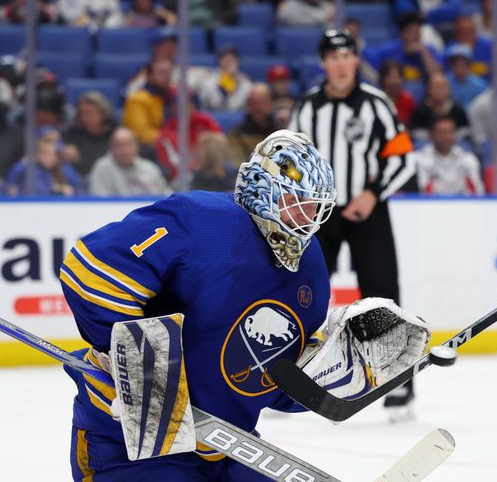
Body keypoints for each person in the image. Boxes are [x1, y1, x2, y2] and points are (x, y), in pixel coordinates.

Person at [61, 129, 430, 480]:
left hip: (225, 448)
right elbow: (89, 270)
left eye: (314, 208)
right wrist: (142, 371)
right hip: (129, 446)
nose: (306, 219)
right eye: (294, 203)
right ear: (260, 190)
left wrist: (343, 371)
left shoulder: (311, 268)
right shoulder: (200, 220)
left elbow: (267, 382)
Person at [289, 30, 418, 420]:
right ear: (323, 63)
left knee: (382, 296)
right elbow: (290, 161)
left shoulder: (377, 104)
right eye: (333, 56)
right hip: (319, 216)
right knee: (301, 293)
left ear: (356, 61)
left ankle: (399, 383)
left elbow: (402, 159)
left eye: (347, 56)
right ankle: (289, 377)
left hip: (368, 211)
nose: (341, 63)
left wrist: (371, 193)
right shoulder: (307, 108)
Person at [88, 127, 170, 196]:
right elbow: (99, 201)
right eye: (119, 146)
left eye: (128, 145)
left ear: (137, 147)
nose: (124, 150)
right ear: (111, 148)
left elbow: (165, 196)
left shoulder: (150, 168)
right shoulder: (102, 168)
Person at [416, 115, 483, 195]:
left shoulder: (468, 159)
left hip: (463, 205)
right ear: (431, 135)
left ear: (455, 134)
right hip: (431, 205)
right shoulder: (419, 159)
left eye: (449, 132)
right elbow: (421, 191)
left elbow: (478, 192)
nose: (445, 136)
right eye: (441, 132)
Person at [5, 131, 81, 197]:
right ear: (37, 154)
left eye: (50, 154)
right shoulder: (28, 168)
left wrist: (69, 192)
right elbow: (12, 182)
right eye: (43, 153)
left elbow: (77, 190)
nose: (47, 157)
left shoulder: (65, 169)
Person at [61, 91, 116, 178]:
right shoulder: (70, 134)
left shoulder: (115, 134)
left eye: (89, 114)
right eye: (81, 114)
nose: (84, 118)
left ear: (103, 114)